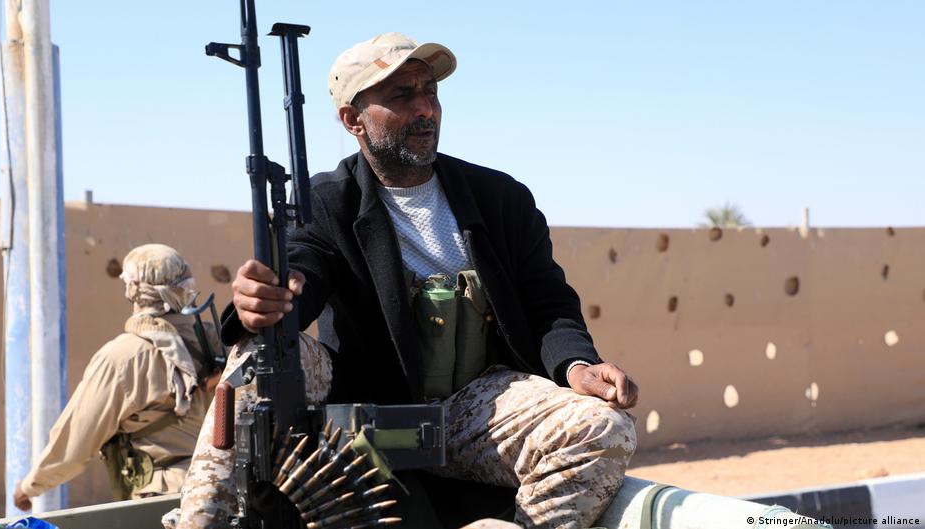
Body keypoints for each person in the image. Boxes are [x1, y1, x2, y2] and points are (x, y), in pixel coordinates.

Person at [180, 33, 639, 529]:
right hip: (372, 414)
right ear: (353, 120)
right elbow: (301, 264)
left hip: (479, 407)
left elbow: (549, 303)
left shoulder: (501, 198)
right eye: (401, 95)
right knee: (260, 355)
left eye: (430, 91)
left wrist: (577, 366)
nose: (425, 108)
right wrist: (267, 297)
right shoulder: (327, 203)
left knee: (605, 426)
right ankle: (202, 522)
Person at [13, 244, 223, 510]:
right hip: (220, 489)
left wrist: (30, 486)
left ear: (132, 289)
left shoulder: (123, 357)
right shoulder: (215, 340)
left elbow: (76, 441)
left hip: (163, 503)